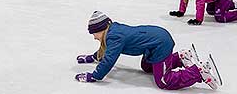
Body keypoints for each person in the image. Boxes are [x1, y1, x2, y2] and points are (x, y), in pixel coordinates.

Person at [75, 11, 221, 90]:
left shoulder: (114, 37)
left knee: (163, 81)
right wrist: (91, 58)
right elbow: (105, 51)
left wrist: (94, 76)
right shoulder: (113, 30)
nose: (94, 37)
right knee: (146, 67)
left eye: (94, 33)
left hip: (160, 45)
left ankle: (198, 71)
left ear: (101, 30)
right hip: (153, 42)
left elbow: (109, 60)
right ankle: (180, 57)